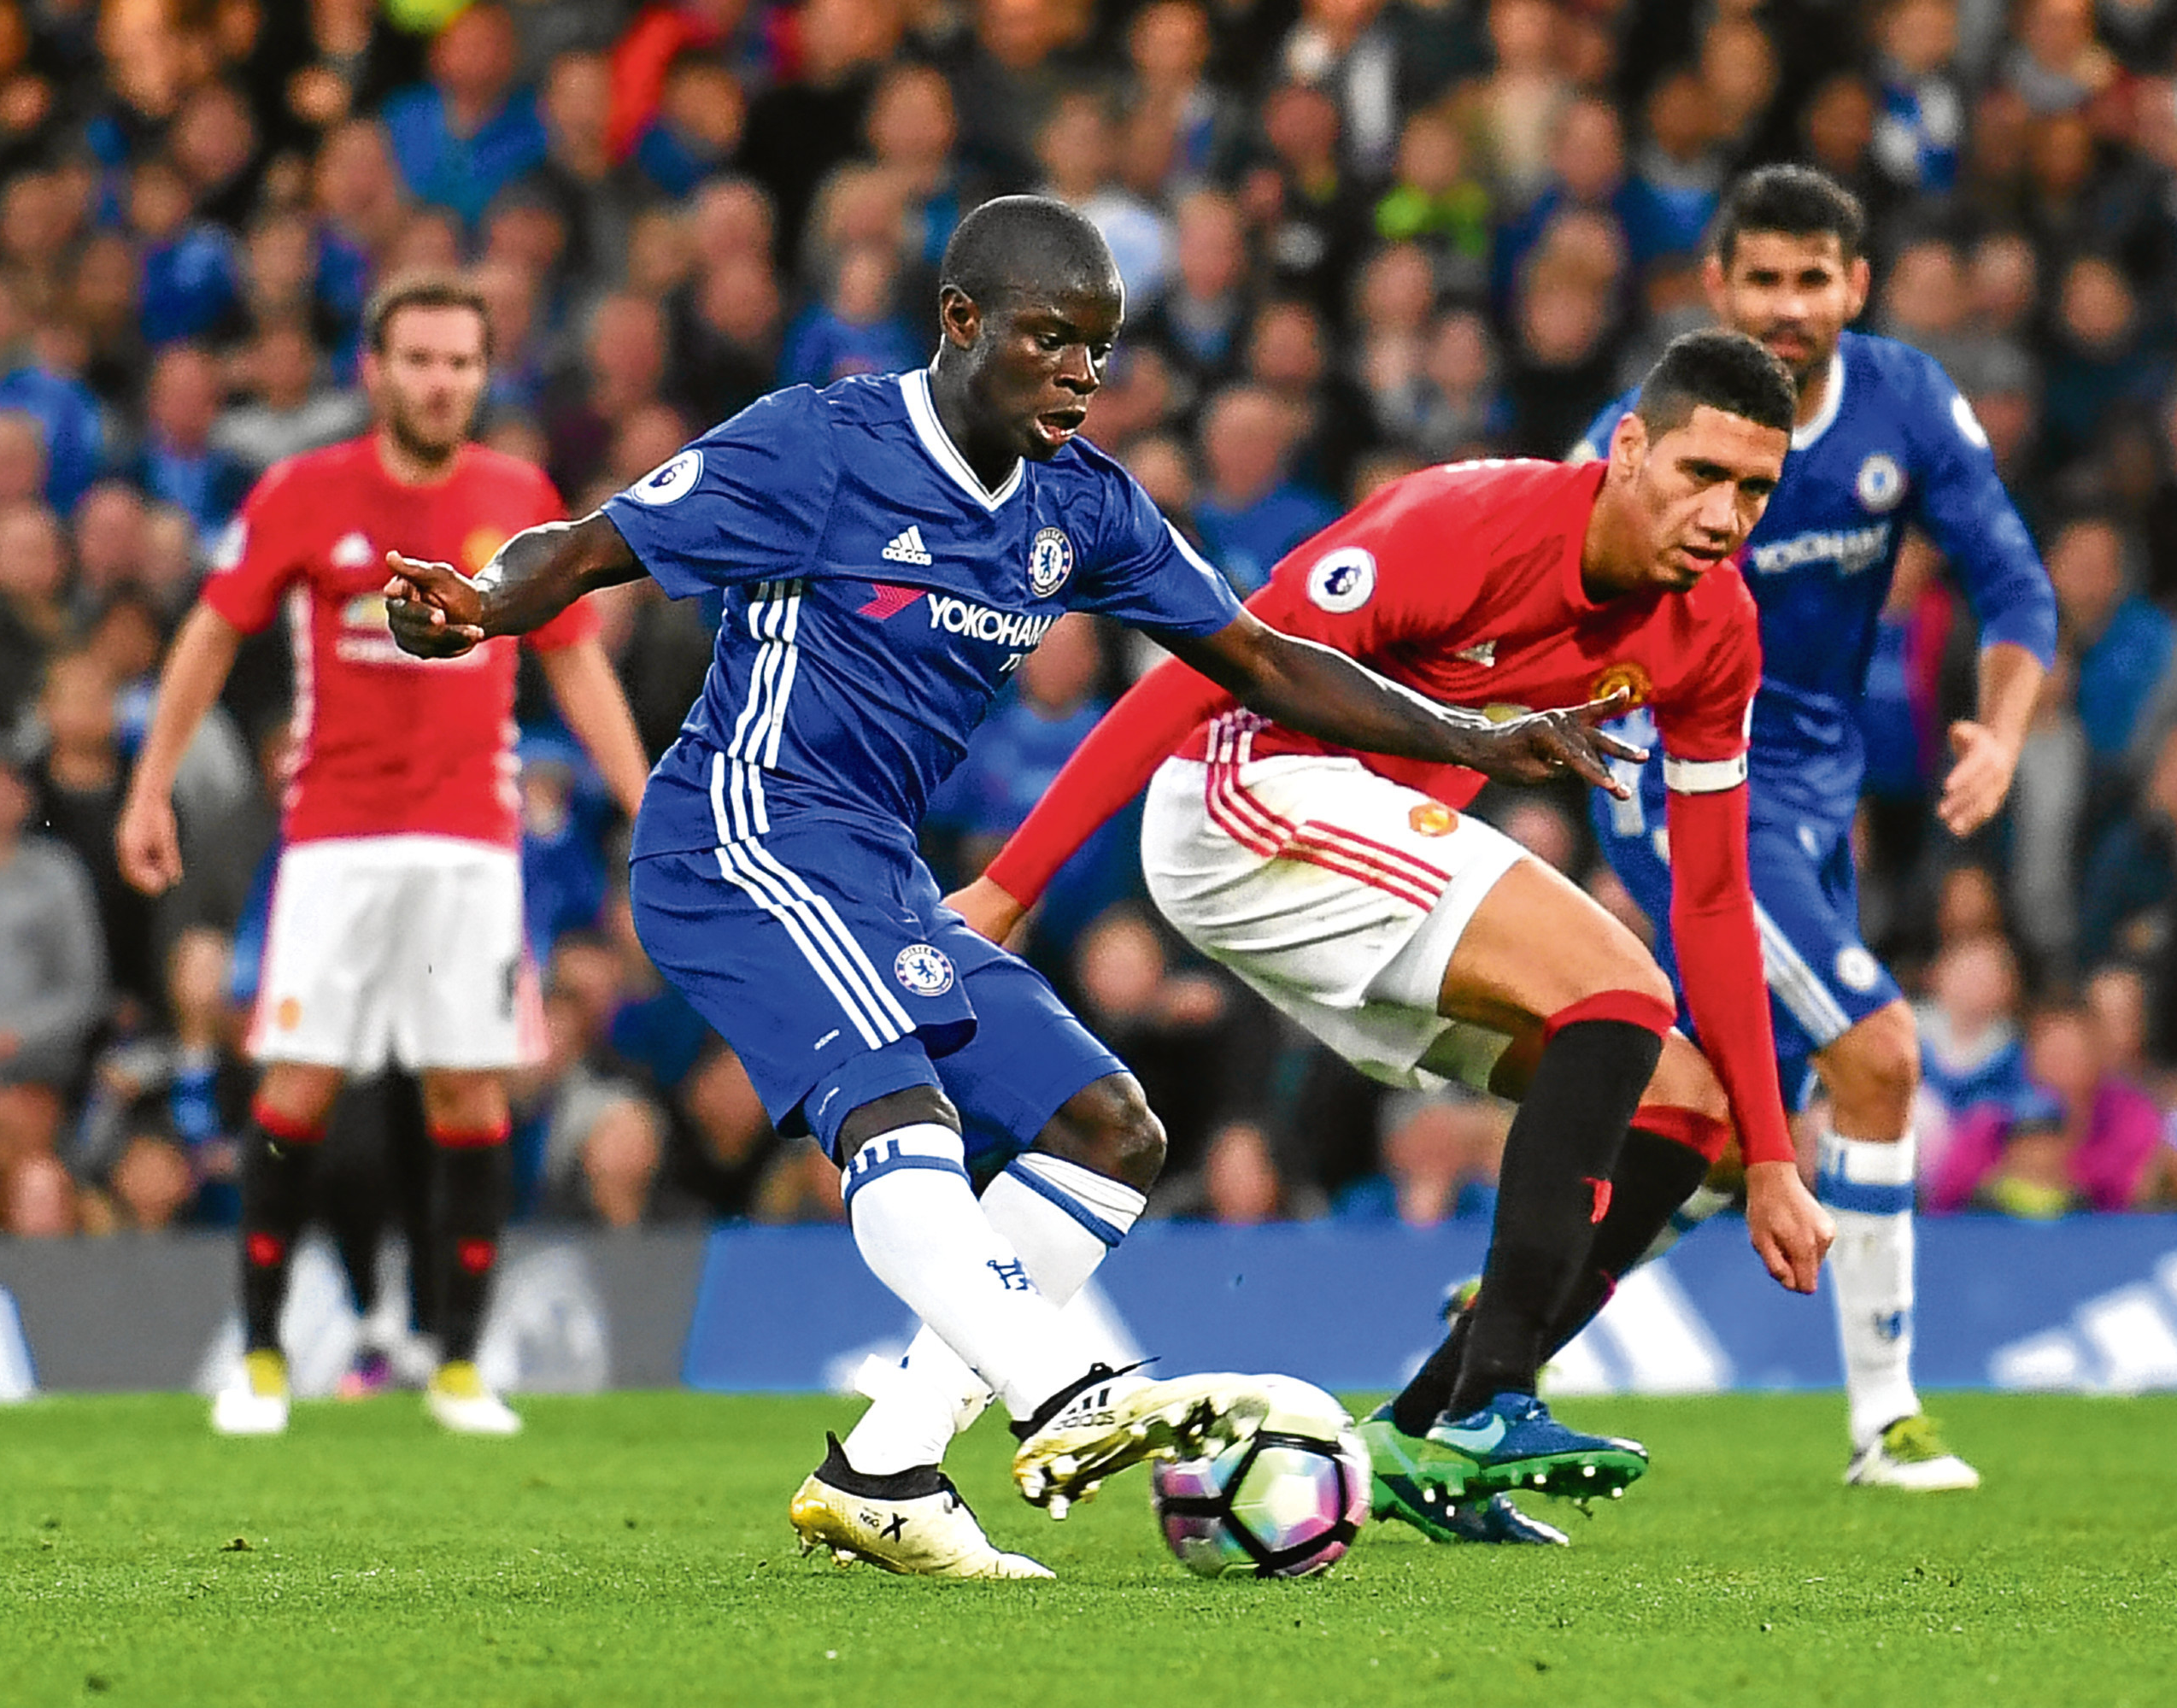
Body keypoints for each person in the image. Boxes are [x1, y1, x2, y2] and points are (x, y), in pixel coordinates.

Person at [378, 197, 1634, 1580]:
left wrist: (1476, 738)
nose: (1081, 378)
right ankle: (1064, 1392)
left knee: (1109, 1130)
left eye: (1098, 351)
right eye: (1052, 341)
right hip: (740, 838)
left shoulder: (1081, 501)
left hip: (879, 871)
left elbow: (1265, 661)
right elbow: (594, 540)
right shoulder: (823, 444)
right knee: (898, 1110)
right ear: (962, 323)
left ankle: (886, 1470)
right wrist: (486, 606)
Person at [953, 327, 1834, 1546]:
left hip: (1360, 856)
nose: (1726, 513)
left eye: (1755, 491)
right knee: (1618, 993)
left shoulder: (1717, 630)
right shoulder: (1468, 523)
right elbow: (1209, 667)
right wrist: (1013, 882)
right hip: (1243, 794)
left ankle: (1426, 1436)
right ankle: (1496, 1401)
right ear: (1630, 450)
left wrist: (1775, 1155)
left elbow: (1717, 896)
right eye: (1702, 475)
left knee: (1686, 1104)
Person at [1571, 166, 2058, 1491]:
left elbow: (2015, 582)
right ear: (1716, 289)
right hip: (1682, 787)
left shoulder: (1906, 404)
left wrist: (2003, 732)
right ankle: (1886, 1419)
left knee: (1734, 1126)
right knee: (1883, 1057)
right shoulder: (1640, 435)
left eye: (1813, 280)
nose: (1789, 308)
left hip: (1813, 791)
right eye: (1764, 281)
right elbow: (1553, 586)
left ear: (1857, 284)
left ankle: (1528, 1299)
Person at [115, 275, 654, 1440]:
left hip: (470, 840)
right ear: (376, 371)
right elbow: (214, 627)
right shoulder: (306, 493)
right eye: (418, 359)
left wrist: (643, 801)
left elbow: (571, 659)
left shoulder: (517, 497)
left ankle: (456, 1362)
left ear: (482, 372)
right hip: (336, 839)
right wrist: (151, 783)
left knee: (468, 1084)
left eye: (461, 361)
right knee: (300, 1082)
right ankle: (260, 1358)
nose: (440, 380)